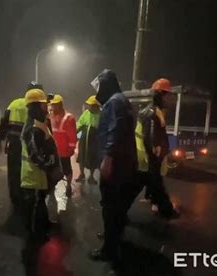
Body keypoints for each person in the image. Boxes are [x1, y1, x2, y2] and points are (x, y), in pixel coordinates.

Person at [89, 69, 137, 263]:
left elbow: (115, 131)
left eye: (99, 86)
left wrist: (108, 158)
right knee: (115, 206)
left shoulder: (114, 102)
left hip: (116, 165)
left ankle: (109, 249)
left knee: (110, 206)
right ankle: (113, 236)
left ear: (106, 84)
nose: (97, 90)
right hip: (124, 164)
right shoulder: (121, 100)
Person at [20, 88, 62, 241]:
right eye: (44, 106)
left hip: (40, 176)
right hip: (35, 176)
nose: (47, 108)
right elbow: (35, 156)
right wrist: (51, 168)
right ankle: (37, 235)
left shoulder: (40, 123)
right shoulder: (33, 128)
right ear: (35, 107)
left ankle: (41, 228)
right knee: (36, 206)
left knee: (40, 203)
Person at [135, 78, 180, 219]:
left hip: (148, 155)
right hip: (150, 155)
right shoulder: (152, 112)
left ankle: (156, 203)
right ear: (160, 95)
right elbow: (151, 134)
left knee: (143, 182)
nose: (169, 99)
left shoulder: (153, 110)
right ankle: (166, 210)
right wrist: (155, 149)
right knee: (155, 181)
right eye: (168, 95)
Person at [0, 82, 43, 206]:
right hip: (32, 146)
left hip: (14, 145)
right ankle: (29, 197)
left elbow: (4, 123)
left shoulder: (14, 104)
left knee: (13, 173)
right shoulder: (39, 107)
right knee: (30, 172)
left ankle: (15, 198)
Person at [49, 94, 77, 198]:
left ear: (61, 105)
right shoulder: (50, 116)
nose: (53, 107)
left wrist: (71, 149)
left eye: (55, 105)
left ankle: (68, 186)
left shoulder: (69, 118)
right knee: (52, 170)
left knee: (67, 170)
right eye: (52, 105)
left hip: (64, 151)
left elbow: (73, 136)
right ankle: (52, 187)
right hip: (52, 150)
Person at [75, 95, 101, 185]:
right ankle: (81, 174)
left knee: (93, 159)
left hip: (94, 142)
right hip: (83, 140)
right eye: (89, 105)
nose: (89, 107)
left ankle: (91, 176)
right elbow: (80, 124)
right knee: (81, 157)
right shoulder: (86, 113)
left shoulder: (101, 115)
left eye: (91, 105)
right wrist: (75, 134)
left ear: (96, 106)